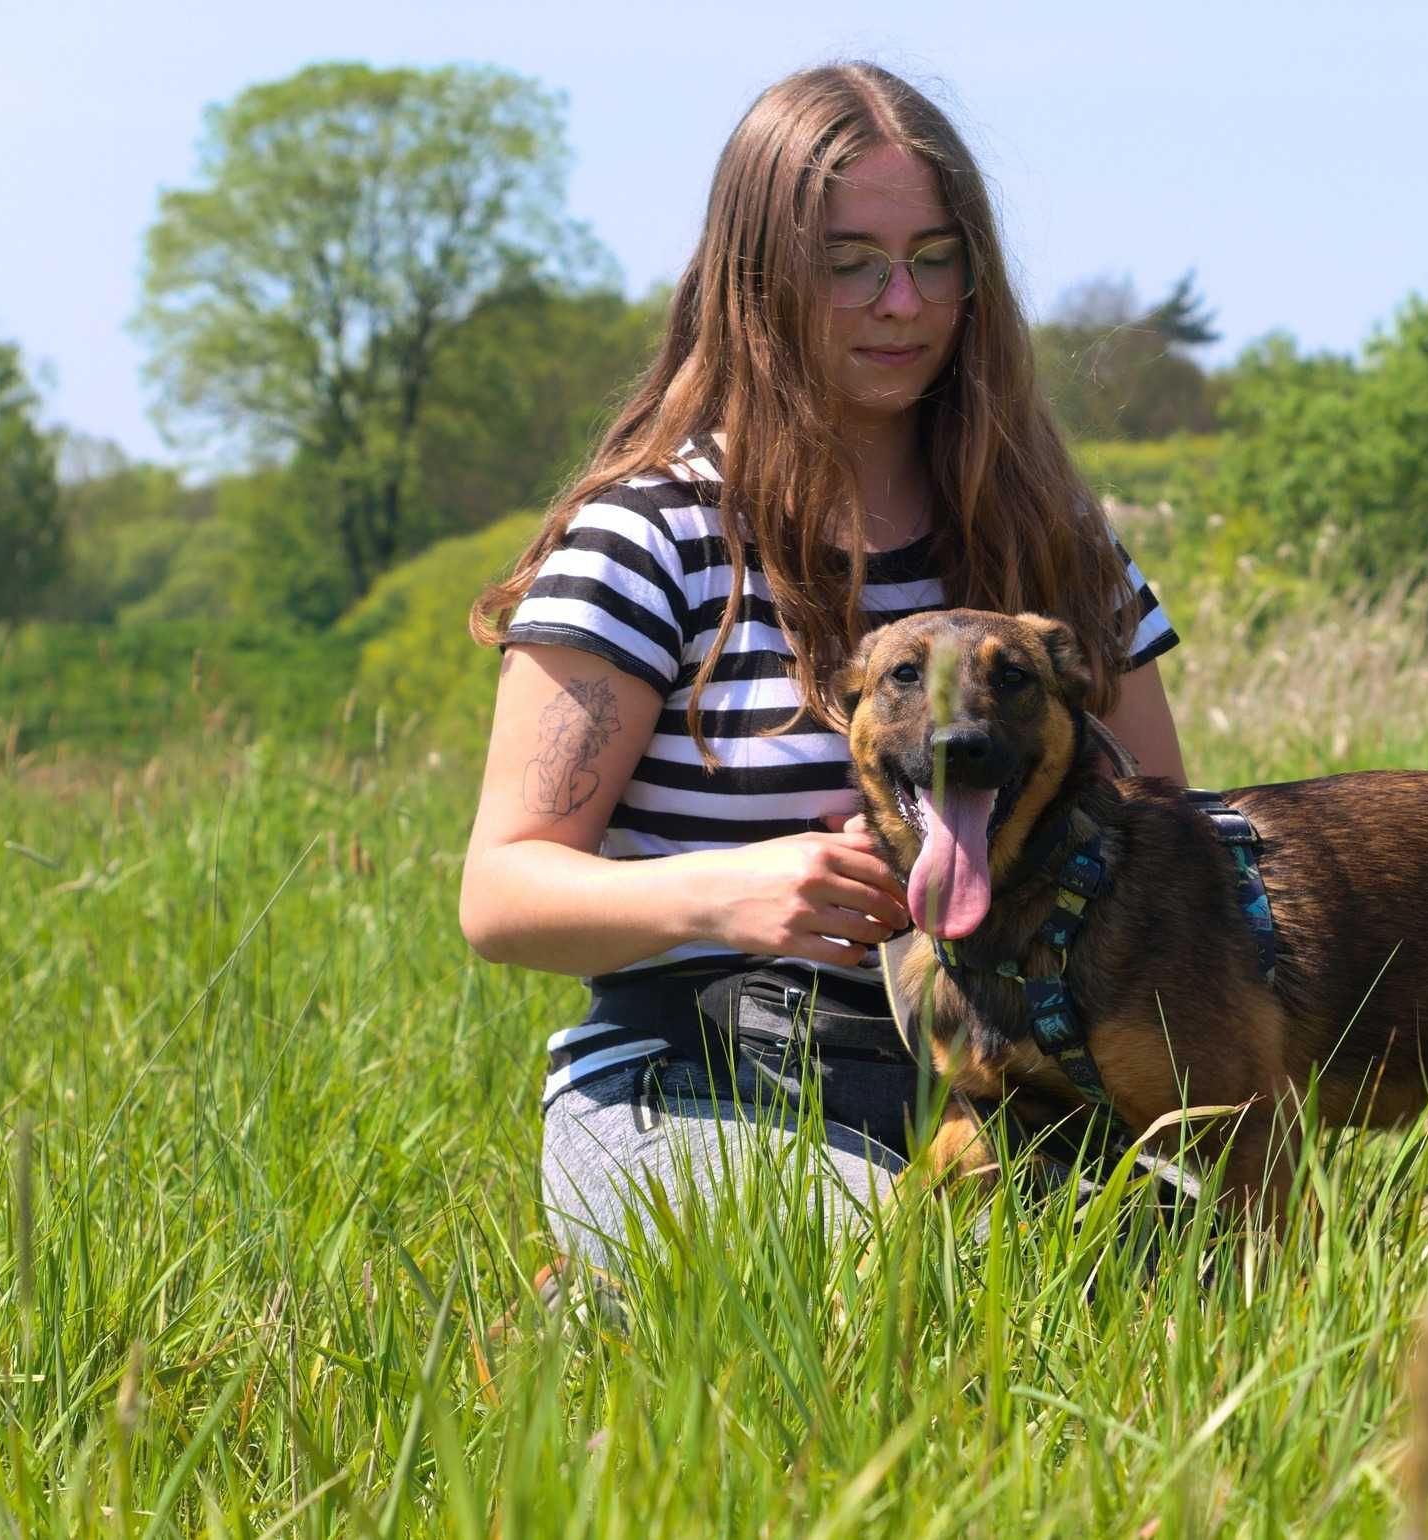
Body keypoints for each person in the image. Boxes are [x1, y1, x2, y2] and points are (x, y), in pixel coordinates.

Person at [460, 63, 1187, 1276]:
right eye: (847, 262)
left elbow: (1169, 839)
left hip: (1015, 1082)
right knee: (896, 1287)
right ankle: (596, 1308)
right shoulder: (648, 539)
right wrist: (724, 895)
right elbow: (501, 895)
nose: (898, 301)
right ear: (754, 278)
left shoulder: (1050, 541)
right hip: (695, 1076)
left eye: (933, 258)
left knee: (1218, 1277)